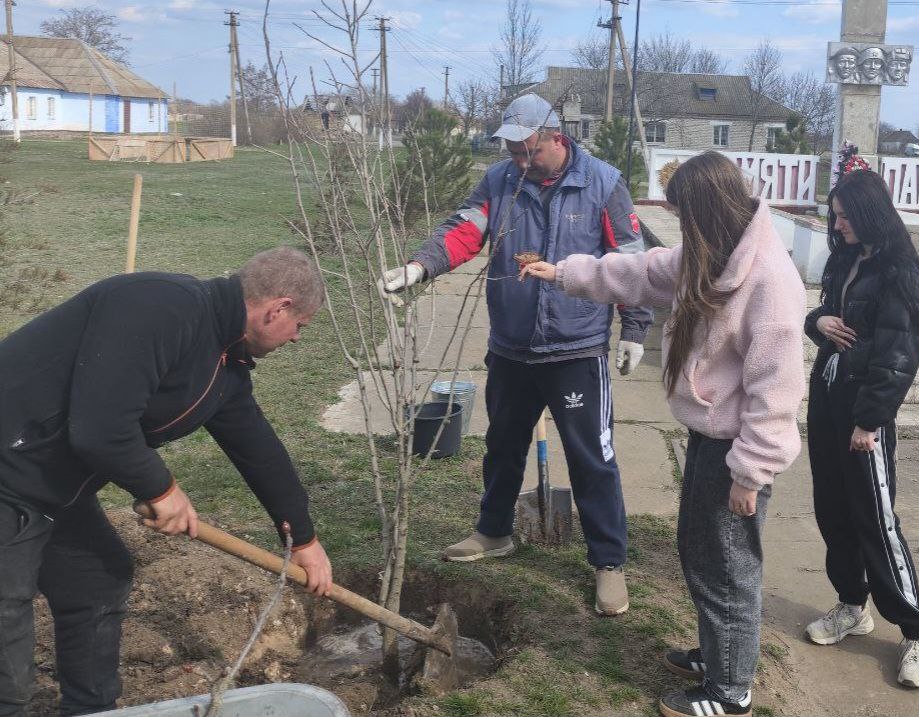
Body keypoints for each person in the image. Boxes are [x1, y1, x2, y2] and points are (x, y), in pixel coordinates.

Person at [521, 151, 807, 717]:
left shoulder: (771, 281)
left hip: (737, 451)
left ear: (707, 211)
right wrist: (564, 273)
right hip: (710, 438)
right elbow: (641, 272)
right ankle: (718, 655)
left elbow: (777, 392)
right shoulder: (712, 253)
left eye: (684, 216)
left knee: (728, 568)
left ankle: (731, 693)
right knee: (701, 554)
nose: (681, 228)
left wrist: (751, 474)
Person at [0, 246, 333, 716]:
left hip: (51, 487)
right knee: (5, 633)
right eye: (301, 325)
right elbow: (100, 428)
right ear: (277, 308)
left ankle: (93, 710)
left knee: (96, 580)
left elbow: (259, 451)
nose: (297, 338)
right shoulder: (161, 306)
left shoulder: (223, 365)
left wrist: (303, 537)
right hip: (7, 474)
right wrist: (161, 489)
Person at [379, 93, 653, 616]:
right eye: (513, 153)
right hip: (511, 347)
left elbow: (631, 263)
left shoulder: (602, 183)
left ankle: (608, 563)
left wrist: (634, 329)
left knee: (593, 458)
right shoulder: (500, 180)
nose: (521, 163)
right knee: (502, 445)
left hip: (576, 348)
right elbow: (464, 230)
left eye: (529, 152)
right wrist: (420, 267)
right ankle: (493, 531)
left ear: (556, 137)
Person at [804, 167, 919, 687]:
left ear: (868, 213)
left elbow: (898, 356)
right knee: (833, 510)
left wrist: (870, 421)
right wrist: (816, 322)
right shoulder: (845, 259)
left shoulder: (901, 271)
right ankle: (851, 605)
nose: (837, 225)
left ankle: (916, 630)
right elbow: (827, 317)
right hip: (828, 401)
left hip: (866, 416)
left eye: (844, 216)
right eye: (834, 216)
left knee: (875, 520)